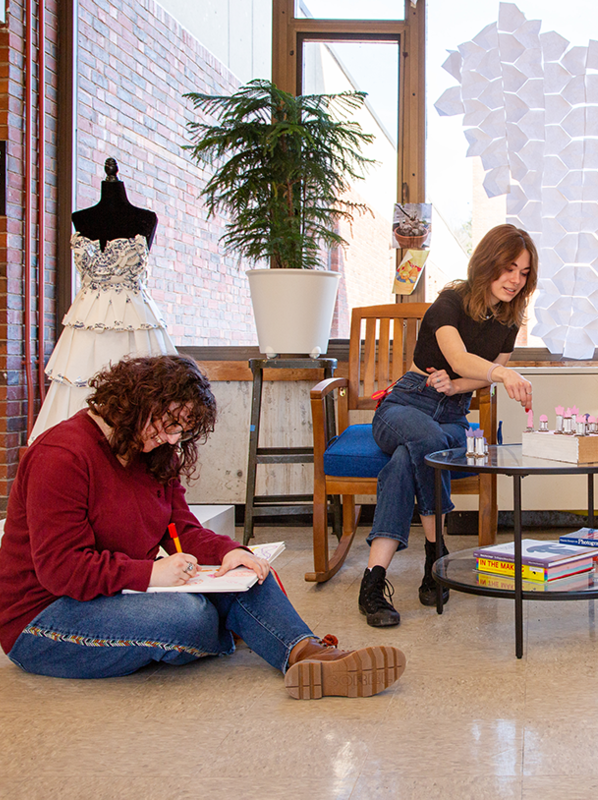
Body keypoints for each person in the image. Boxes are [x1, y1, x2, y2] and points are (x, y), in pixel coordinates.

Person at [0, 355, 405, 698]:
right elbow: (61, 568)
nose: (171, 438)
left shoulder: (153, 451)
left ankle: (310, 656)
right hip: (43, 617)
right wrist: (150, 573)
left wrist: (229, 552)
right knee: (188, 615)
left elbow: (181, 530)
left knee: (247, 574)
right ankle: (249, 629)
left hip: (111, 593)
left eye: (181, 429)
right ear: (134, 401)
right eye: (167, 422)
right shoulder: (62, 456)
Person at [358, 224, 539, 627]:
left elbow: (471, 376)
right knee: (428, 440)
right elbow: (459, 357)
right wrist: (498, 375)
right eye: (509, 268)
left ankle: (373, 580)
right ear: (488, 263)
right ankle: (436, 551)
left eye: (524, 273)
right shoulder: (450, 302)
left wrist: (457, 385)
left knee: (408, 460)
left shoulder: (509, 319)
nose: (515, 280)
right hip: (405, 404)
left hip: (454, 415)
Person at [29, 158, 176, 444]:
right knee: (79, 393)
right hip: (87, 318)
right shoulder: (80, 218)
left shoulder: (145, 219)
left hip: (133, 321)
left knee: (140, 398)